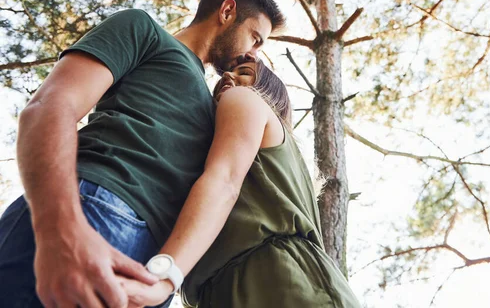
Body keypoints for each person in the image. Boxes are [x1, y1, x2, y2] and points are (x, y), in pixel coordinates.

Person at [0, 0, 285, 308]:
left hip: (153, 272)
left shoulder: (217, 106)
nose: (252, 53)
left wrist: (166, 280)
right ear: (227, 11)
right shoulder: (146, 31)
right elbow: (50, 106)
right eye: (255, 37)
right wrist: (60, 229)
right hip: (98, 209)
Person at [118, 60, 362, 308]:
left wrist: (163, 276)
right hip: (227, 289)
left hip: (278, 279)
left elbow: (224, 181)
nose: (227, 75)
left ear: (270, 89)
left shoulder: (245, 99)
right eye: (225, 74)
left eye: (244, 72)